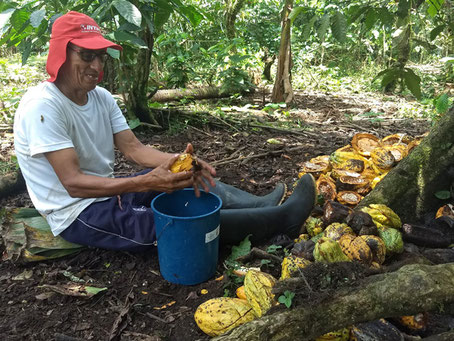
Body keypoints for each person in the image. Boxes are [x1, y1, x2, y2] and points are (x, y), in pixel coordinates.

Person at [13, 11, 316, 252]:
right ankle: (282, 220)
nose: (97, 65)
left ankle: (259, 204)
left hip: (105, 194)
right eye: (87, 55)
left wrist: (176, 163)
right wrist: (145, 181)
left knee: (187, 178)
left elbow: (134, 149)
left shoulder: (101, 97)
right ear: (61, 55)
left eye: (101, 56)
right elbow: (74, 184)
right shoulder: (43, 106)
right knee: (179, 221)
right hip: (76, 213)